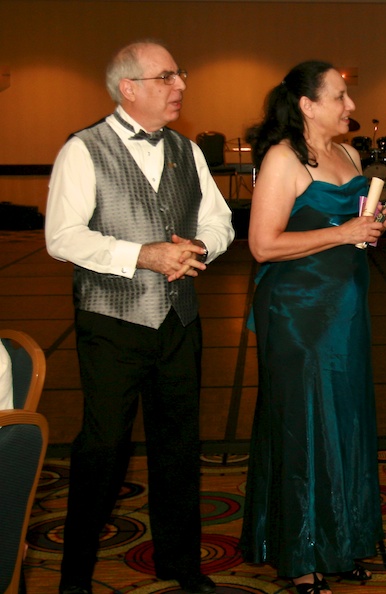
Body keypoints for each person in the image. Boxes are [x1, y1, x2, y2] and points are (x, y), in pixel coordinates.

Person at [45, 40, 234, 594]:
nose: (180, 85)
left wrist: (199, 244)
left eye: (180, 75)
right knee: (103, 448)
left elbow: (220, 221)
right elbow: (62, 237)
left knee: (179, 446)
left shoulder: (187, 149)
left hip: (180, 322)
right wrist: (142, 255)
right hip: (112, 322)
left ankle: (179, 563)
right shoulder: (83, 149)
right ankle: (75, 575)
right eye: (166, 77)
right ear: (129, 88)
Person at [239, 61, 386, 594]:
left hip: (347, 309)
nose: (350, 105)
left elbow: (353, 229)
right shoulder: (282, 159)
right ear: (308, 105)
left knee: (346, 419)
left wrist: (379, 224)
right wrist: (345, 232)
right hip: (298, 312)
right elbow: (263, 245)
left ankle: (341, 540)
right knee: (305, 424)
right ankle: (302, 554)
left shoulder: (349, 155)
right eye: (339, 96)